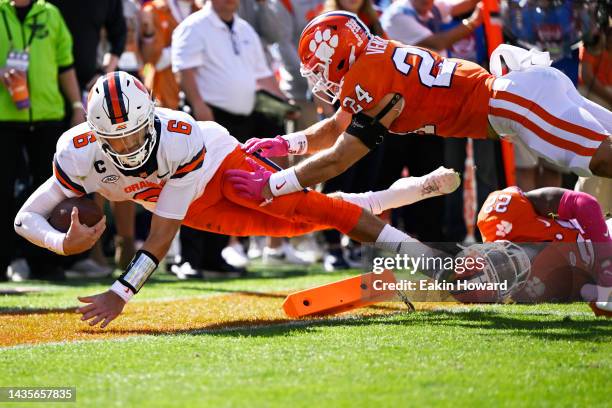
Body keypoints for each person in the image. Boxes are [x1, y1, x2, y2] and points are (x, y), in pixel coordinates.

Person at [14, 71, 459, 327]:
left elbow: (161, 236)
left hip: (219, 166)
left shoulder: (178, 138)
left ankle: (435, 265)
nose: (129, 148)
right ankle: (405, 191)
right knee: (300, 224)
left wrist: (121, 293)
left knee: (313, 209)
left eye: (134, 134)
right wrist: (60, 243)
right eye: (118, 139)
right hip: (188, 204)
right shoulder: (77, 152)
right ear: (96, 135)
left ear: (150, 116)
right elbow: (24, 218)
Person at [232, 11, 612, 209]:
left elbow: (339, 158)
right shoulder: (374, 59)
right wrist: (286, 143)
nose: (319, 79)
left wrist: (273, 184)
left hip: (514, 103)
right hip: (524, 91)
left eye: (319, 68)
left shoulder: (368, 80)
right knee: (602, 169)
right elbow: (336, 127)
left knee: (601, 161)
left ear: (340, 52)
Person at [1, 0, 84, 281]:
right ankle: (6, 262)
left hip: (49, 116)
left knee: (51, 192)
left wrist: (75, 106)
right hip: (4, 118)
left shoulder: (50, 14)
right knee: (3, 189)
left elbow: (66, 65)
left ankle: (47, 263)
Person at [474, 186, 612, 316]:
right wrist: (598, 294)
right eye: (504, 275)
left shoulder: (499, 219)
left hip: (602, 235)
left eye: (497, 260)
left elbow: (584, 203)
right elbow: (584, 289)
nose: (505, 265)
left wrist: (606, 263)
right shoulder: (528, 293)